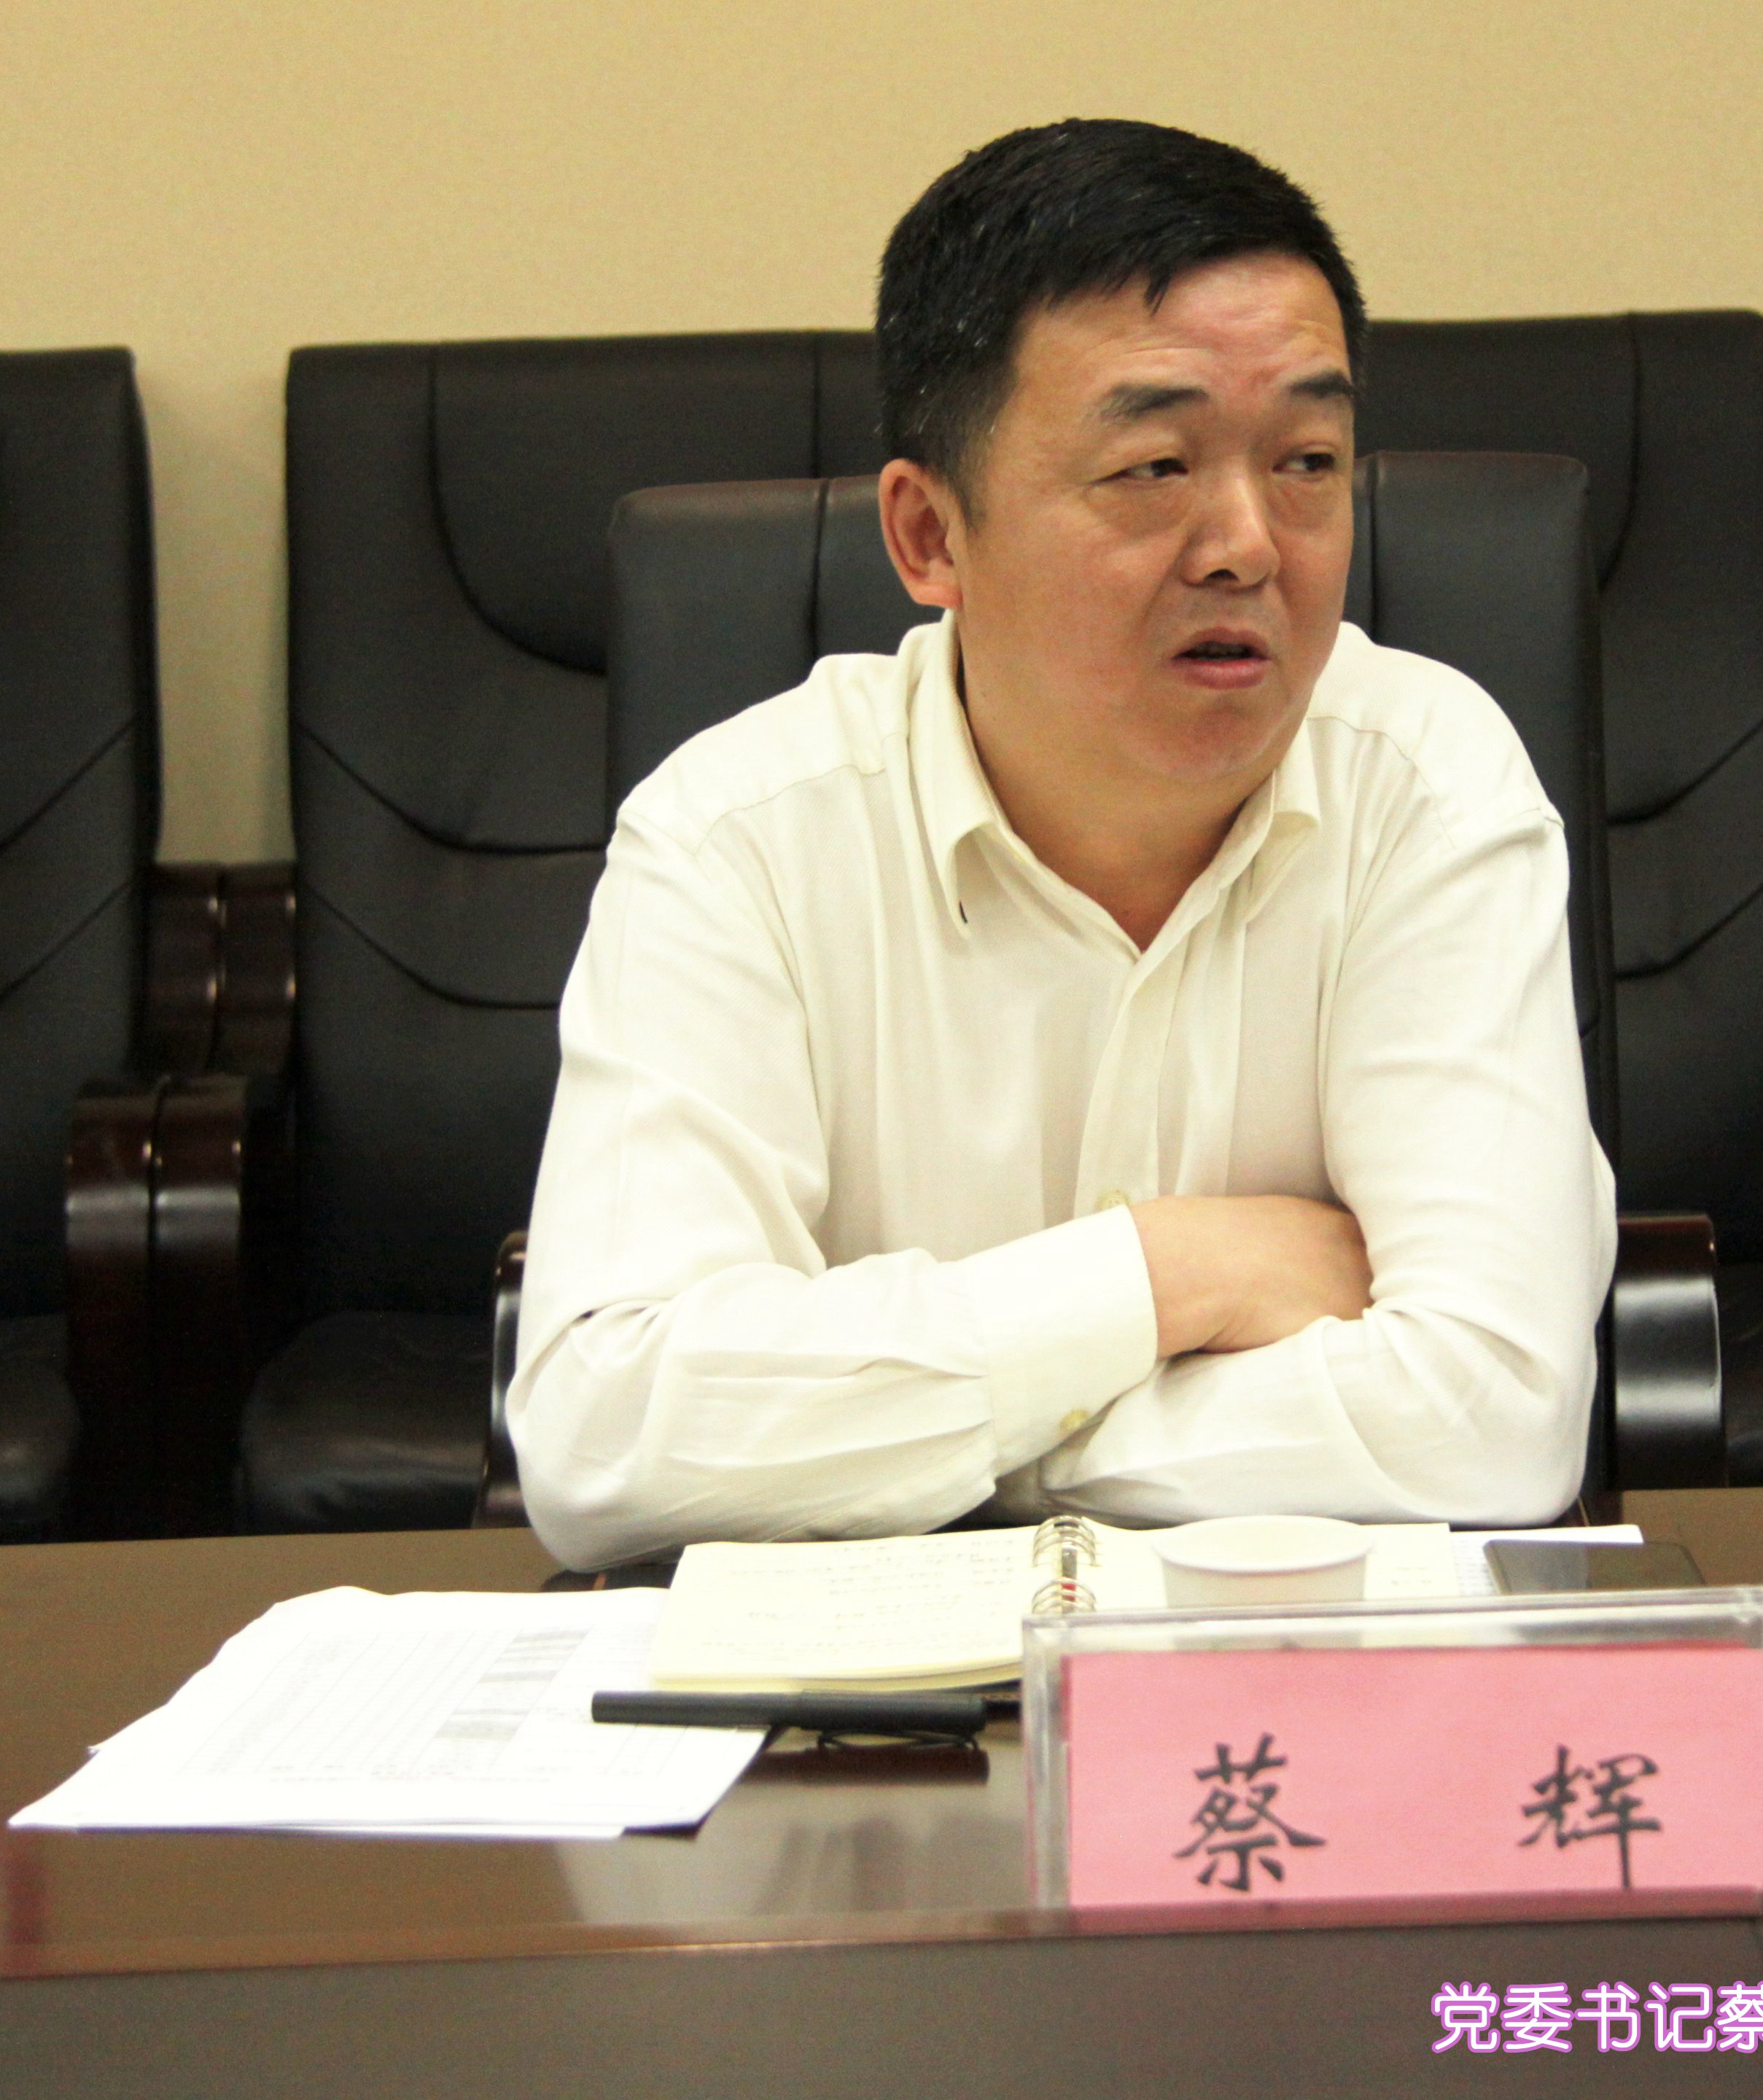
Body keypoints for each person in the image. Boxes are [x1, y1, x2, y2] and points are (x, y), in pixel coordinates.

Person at [513, 119, 1616, 1569]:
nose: (1249, 543)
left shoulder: (1428, 788)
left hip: (1282, 1669)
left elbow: (1496, 1414)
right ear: (930, 536)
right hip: (854, 1697)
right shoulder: (737, 840)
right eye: (1152, 467)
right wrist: (1164, 1275)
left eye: (1307, 460)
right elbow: (605, 1432)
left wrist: (949, 1441)